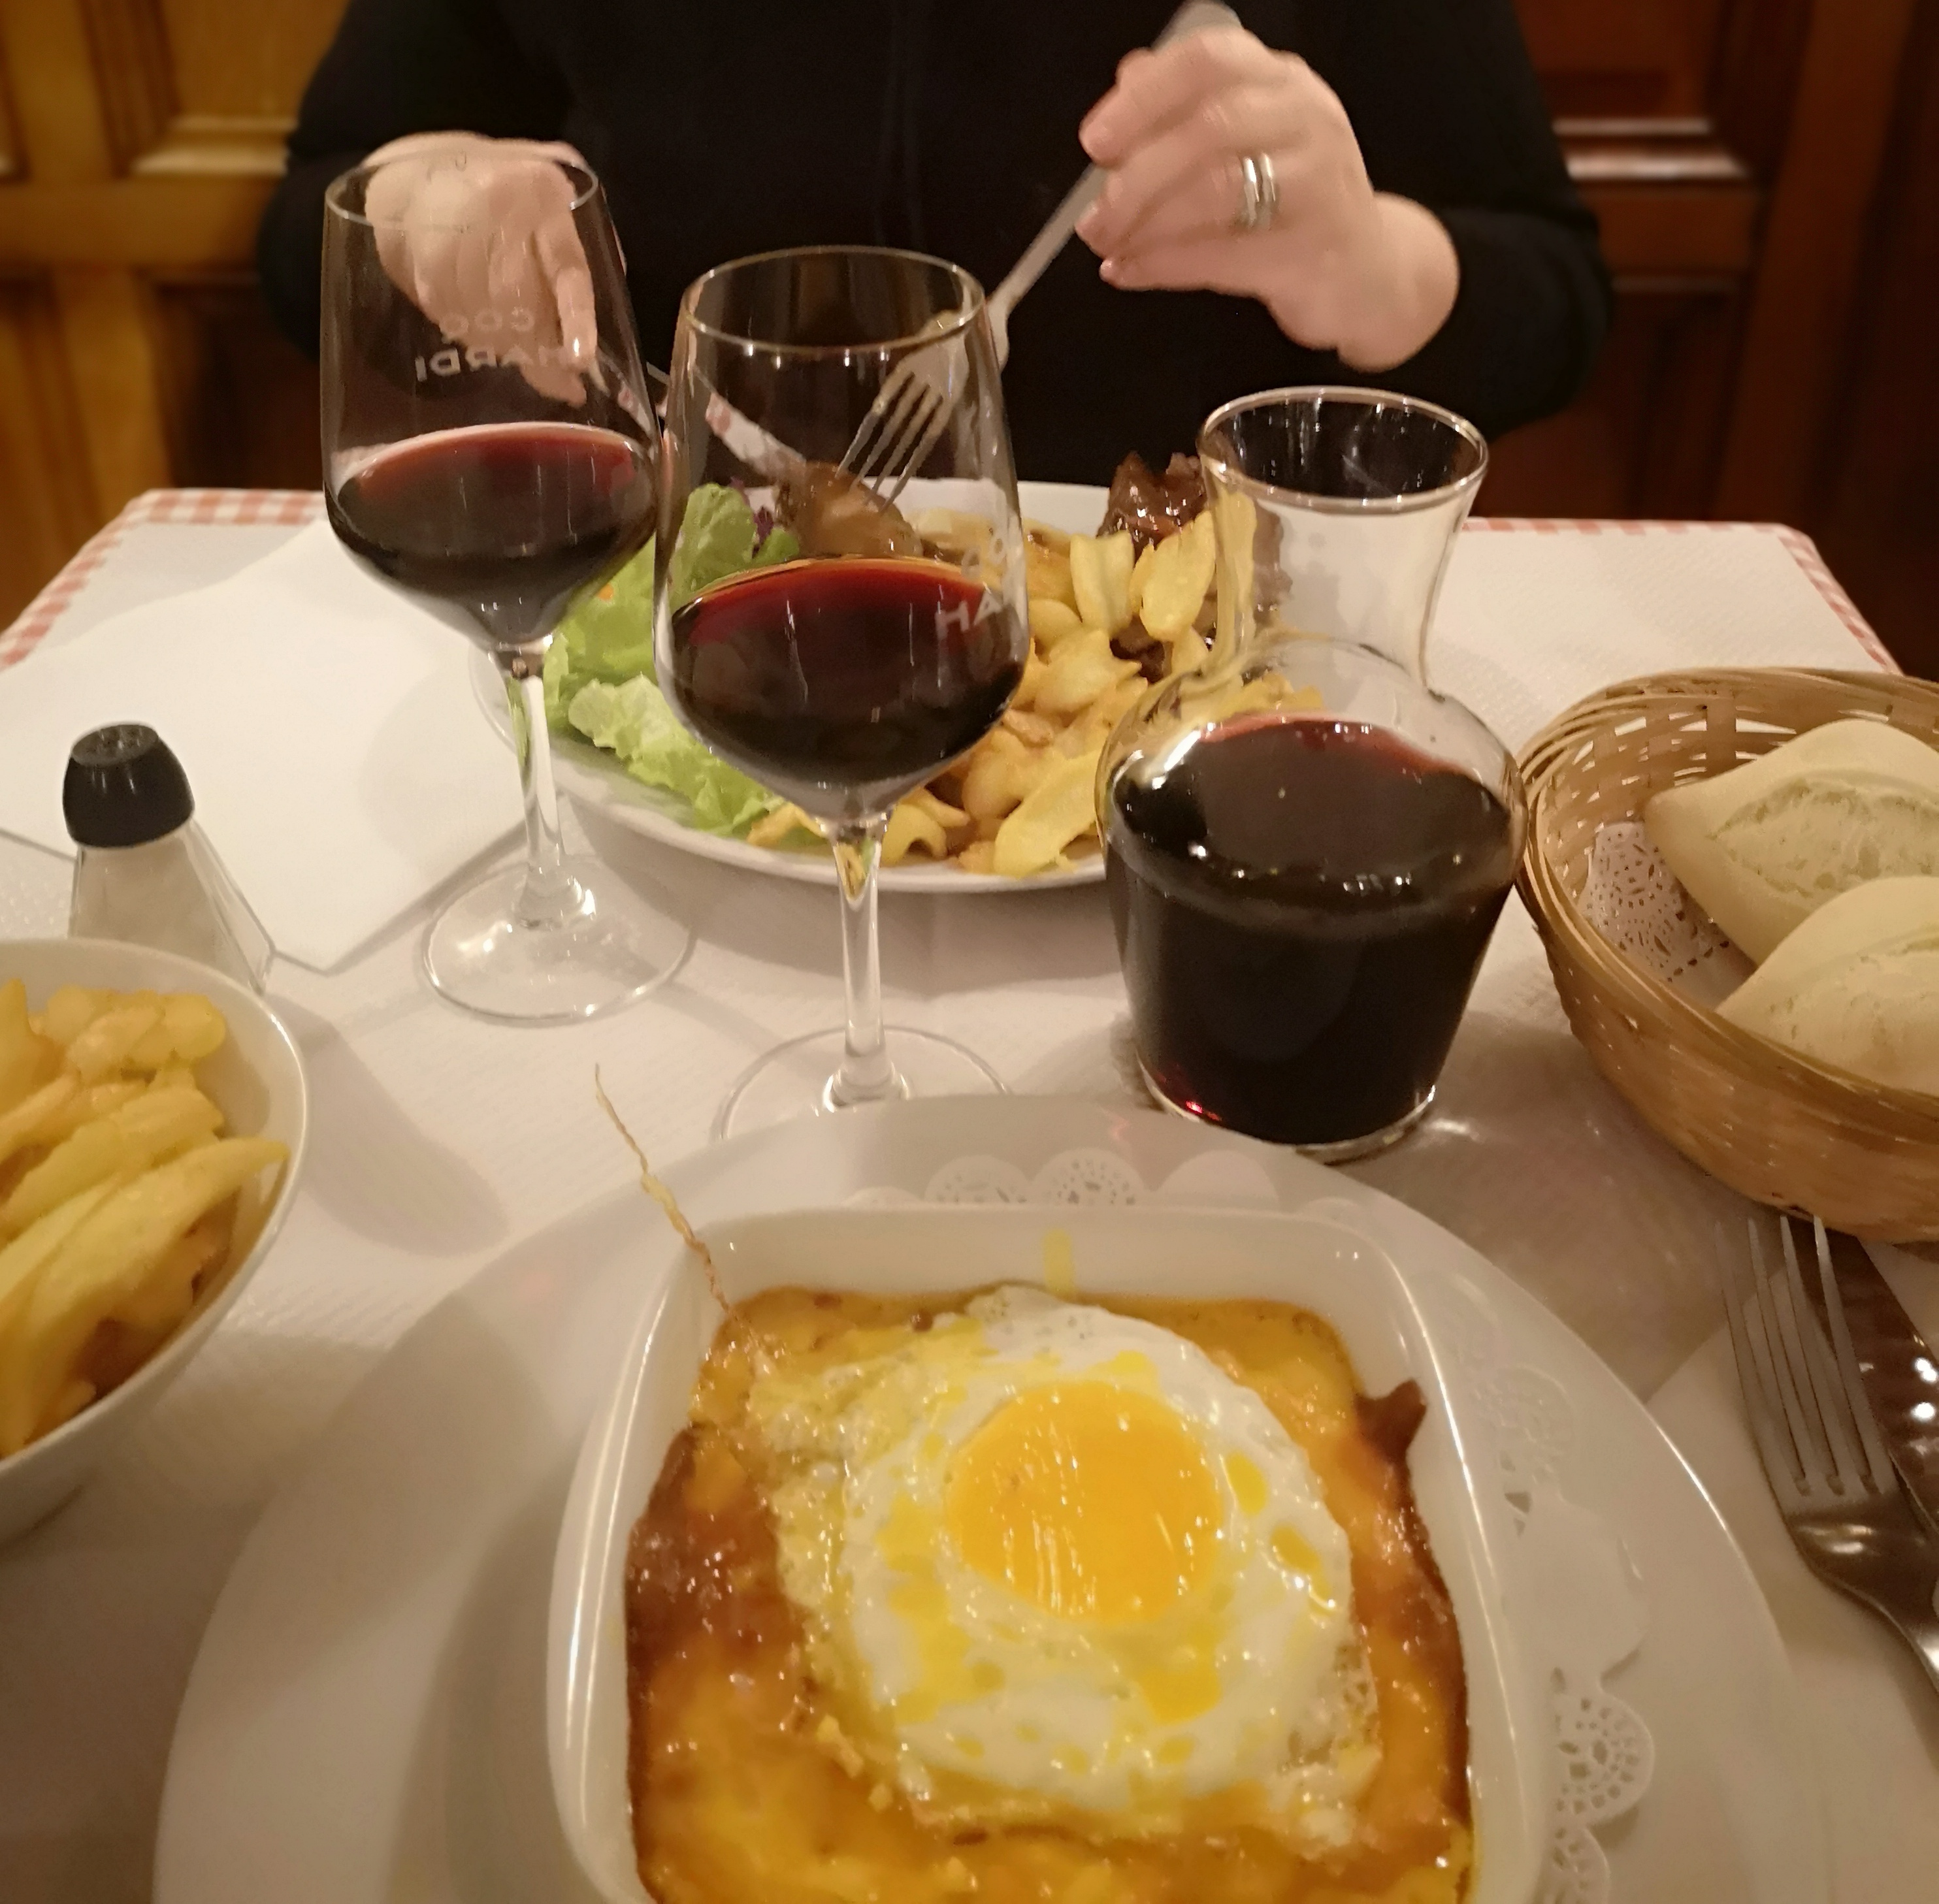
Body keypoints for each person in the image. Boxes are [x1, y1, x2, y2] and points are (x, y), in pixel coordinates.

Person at [259, 1, 1610, 479]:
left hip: (1191, 692)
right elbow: (303, 221)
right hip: (681, 633)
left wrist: (1371, 267)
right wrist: (419, 203)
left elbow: (1556, 294)